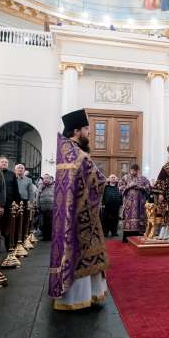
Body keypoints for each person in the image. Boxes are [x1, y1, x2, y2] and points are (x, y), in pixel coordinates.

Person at [49, 109, 109, 310]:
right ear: (76, 130)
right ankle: (80, 297)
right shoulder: (79, 154)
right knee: (81, 249)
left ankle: (75, 296)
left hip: (68, 213)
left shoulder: (65, 152)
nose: (89, 133)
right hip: (80, 214)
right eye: (86, 129)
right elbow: (98, 180)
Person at [119, 164, 150, 242]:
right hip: (129, 203)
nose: (134, 172)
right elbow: (120, 187)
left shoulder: (143, 179)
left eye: (136, 170)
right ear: (130, 170)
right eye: (133, 170)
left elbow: (149, 187)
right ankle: (126, 238)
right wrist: (129, 186)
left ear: (138, 170)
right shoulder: (125, 178)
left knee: (140, 219)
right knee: (128, 219)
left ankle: (139, 237)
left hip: (140, 203)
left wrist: (141, 187)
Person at [0, 157, 21, 249]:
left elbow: (16, 190)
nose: (4, 163)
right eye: (2, 162)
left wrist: (17, 202)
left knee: (8, 226)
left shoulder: (12, 174)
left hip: (9, 204)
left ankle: (9, 246)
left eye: (6, 162)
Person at [37, 173, 54, 241]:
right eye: (45, 178)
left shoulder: (53, 186)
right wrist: (38, 206)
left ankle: (50, 236)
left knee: (50, 223)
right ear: (43, 179)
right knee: (43, 223)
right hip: (42, 207)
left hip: (51, 207)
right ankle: (44, 236)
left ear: (50, 179)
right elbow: (37, 196)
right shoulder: (40, 186)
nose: (46, 179)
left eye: (47, 178)